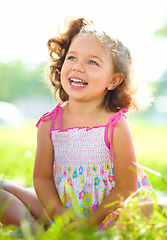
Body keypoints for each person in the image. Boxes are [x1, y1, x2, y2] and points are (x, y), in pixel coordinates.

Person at [0, 17, 159, 232]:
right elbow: (42, 177)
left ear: (113, 80)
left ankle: (96, 232)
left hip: (110, 212)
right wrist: (61, 215)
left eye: (92, 62)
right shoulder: (50, 123)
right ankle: (30, 229)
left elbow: (125, 187)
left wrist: (89, 222)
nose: (78, 67)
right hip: (60, 208)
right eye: (72, 58)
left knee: (155, 210)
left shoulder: (115, 125)